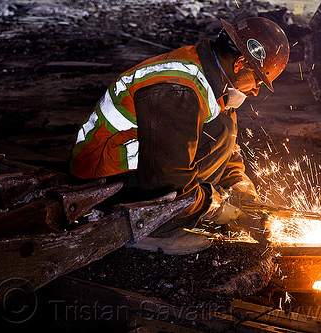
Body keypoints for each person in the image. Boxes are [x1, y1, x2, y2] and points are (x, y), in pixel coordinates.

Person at [69, 17, 290, 254]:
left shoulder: (213, 79)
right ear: (240, 63)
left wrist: (240, 187)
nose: (256, 90)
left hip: (133, 172)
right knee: (218, 131)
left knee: (221, 128)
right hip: (103, 186)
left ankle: (180, 214)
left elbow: (225, 149)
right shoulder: (179, 89)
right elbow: (169, 180)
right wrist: (221, 209)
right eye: (257, 79)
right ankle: (156, 227)